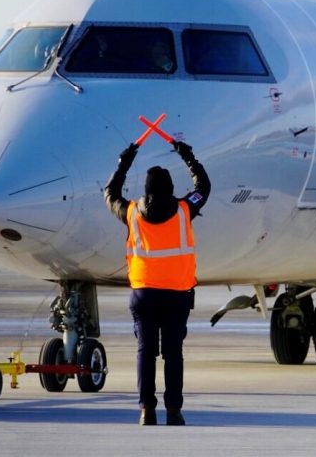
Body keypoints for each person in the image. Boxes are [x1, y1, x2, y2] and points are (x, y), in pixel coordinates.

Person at [105, 139, 210, 426]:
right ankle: (174, 412)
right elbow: (203, 188)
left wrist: (123, 163)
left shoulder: (131, 213)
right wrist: (188, 156)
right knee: (173, 354)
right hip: (176, 294)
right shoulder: (184, 210)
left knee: (146, 352)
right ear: (171, 188)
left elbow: (110, 194)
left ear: (147, 190)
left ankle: (145, 411)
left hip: (144, 294)